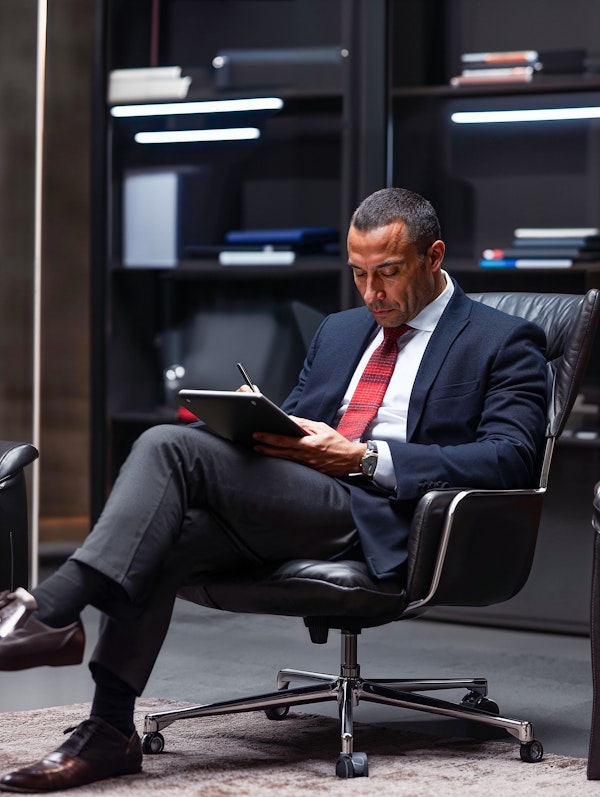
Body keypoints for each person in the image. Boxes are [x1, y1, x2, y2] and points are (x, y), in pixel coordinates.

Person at [0, 187, 548, 792]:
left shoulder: (503, 339)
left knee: (166, 444)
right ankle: (109, 732)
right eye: (359, 275)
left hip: (378, 514)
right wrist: (254, 424)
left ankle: (48, 612)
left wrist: (366, 458)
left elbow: (512, 458)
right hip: (299, 498)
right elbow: (293, 428)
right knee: (171, 531)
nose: (372, 295)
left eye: (388, 274)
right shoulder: (341, 332)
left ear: (433, 256)